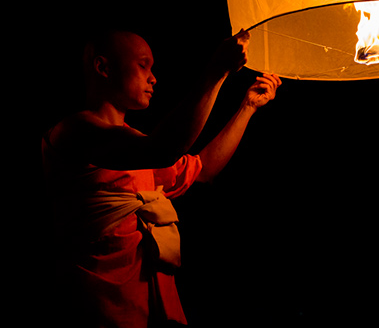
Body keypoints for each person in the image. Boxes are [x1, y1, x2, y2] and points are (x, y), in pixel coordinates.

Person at [42, 27, 282, 327]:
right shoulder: (74, 132)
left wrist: (247, 107)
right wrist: (216, 73)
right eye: (143, 65)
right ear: (103, 67)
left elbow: (202, 170)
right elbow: (161, 150)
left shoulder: (135, 146)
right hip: (99, 307)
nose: (153, 78)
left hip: (150, 306)